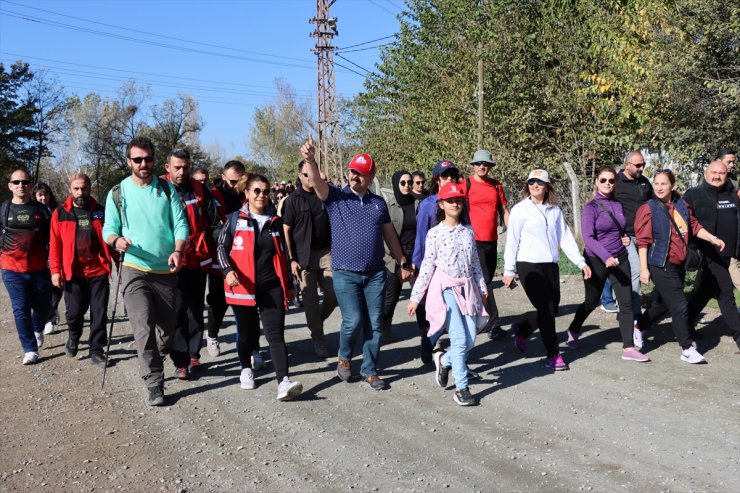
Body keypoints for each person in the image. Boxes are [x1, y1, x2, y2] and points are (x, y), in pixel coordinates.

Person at [300, 135, 411, 391]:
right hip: (345, 273)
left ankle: (370, 370)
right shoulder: (336, 197)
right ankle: (344, 356)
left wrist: (402, 261)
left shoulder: (378, 203)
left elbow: (390, 235)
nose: (354, 177)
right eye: (352, 172)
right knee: (353, 320)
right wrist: (310, 160)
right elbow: (316, 183)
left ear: (371, 176)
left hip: (375, 274)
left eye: (360, 174)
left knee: (374, 322)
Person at [102, 136, 189, 406]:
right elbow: (108, 229)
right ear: (129, 161)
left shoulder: (166, 189)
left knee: (166, 331)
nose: (143, 163)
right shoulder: (117, 192)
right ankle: (154, 383)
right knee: (143, 328)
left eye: (147, 159)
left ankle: (158, 356)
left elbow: (181, 225)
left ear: (154, 160)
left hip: (166, 271)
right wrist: (116, 241)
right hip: (133, 268)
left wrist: (177, 250)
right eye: (137, 159)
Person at [217, 173, 303, 401]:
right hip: (242, 286)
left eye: (266, 191)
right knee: (246, 333)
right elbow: (221, 248)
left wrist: (290, 283)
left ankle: (283, 381)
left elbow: (282, 255)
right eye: (256, 190)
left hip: (271, 286)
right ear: (246, 193)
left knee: (275, 334)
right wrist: (228, 271)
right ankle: (246, 367)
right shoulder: (235, 219)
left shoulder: (275, 221)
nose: (262, 195)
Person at [503, 169, 591, 371]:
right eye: (532, 182)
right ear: (527, 186)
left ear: (547, 186)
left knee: (551, 308)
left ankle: (523, 329)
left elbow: (566, 239)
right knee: (545, 308)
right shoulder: (520, 209)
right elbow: (512, 241)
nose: (535, 185)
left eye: (540, 182)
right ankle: (553, 354)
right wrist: (509, 269)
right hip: (528, 265)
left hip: (550, 265)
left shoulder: (555, 210)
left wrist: (580, 262)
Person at [408, 182, 488, 406]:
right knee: (459, 338)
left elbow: (475, 264)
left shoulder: (468, 232)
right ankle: (462, 388)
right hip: (445, 290)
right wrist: (416, 297)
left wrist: (482, 287)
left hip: (468, 288)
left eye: (459, 200)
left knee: (471, 338)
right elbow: (427, 266)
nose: (455, 204)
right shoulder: (435, 234)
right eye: (450, 200)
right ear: (441, 204)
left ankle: (444, 360)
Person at [633, 169, 725, 364]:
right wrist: (643, 269)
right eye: (656, 183)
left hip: (678, 264)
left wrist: (712, 238)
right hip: (659, 263)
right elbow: (642, 241)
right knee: (680, 304)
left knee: (664, 304)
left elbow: (695, 226)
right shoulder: (648, 208)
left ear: (672, 186)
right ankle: (686, 348)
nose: (659, 187)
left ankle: (639, 327)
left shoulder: (681, 205)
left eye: (663, 184)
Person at [565, 167, 649, 362]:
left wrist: (625, 238)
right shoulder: (590, 208)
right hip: (597, 260)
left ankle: (628, 347)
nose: (607, 184)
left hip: (620, 257)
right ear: (596, 182)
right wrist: (606, 257)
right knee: (592, 301)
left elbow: (619, 229)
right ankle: (574, 329)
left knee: (626, 302)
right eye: (603, 180)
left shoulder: (617, 205)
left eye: (611, 180)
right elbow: (589, 238)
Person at [163, 149, 219, 379]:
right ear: (168, 167)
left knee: (195, 309)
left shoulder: (199, 189)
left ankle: (194, 354)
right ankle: (180, 361)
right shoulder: (158, 189)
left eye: (185, 167)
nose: (181, 171)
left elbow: (214, 222)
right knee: (176, 311)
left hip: (196, 258)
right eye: (177, 167)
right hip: (170, 259)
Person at [49, 173, 113, 367]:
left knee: (99, 313)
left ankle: (97, 350)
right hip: (73, 273)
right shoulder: (60, 213)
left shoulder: (100, 211)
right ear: (70, 189)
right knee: (74, 313)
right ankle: (74, 336)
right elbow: (55, 245)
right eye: (76, 188)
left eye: (84, 188)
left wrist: (120, 262)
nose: (80, 192)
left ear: (90, 188)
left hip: (98, 271)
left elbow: (112, 236)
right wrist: (55, 270)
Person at [282, 159, 337, 359]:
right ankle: (318, 339)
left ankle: (316, 321)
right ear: (299, 176)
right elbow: (286, 229)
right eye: (306, 174)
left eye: (312, 174)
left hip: (327, 253)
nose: (310, 177)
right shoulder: (292, 200)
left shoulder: (326, 196)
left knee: (334, 294)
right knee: (310, 300)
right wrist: (291, 259)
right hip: (303, 257)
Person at [684, 161, 740, 351]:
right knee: (725, 291)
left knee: (705, 291)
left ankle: (685, 324)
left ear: (727, 175)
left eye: (721, 173)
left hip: (727, 254)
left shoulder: (732, 195)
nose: (717, 176)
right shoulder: (693, 195)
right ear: (706, 173)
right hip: (706, 254)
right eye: (713, 172)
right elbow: (683, 224)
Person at [1, 169, 52, 365]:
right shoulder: (3, 209)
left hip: (39, 269)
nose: (21, 185)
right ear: (10, 185)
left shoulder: (41, 210)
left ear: (31, 185)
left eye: (25, 182)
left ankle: (37, 327)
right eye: (17, 182)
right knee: (20, 309)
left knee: (43, 307)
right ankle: (30, 349)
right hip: (11, 269)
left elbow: (52, 238)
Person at [381, 170, 430, 362]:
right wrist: (399, 262)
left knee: (420, 297)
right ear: (396, 184)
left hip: (417, 257)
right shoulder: (389, 207)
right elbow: (385, 237)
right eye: (403, 182)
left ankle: (425, 334)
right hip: (395, 258)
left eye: (410, 182)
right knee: (390, 299)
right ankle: (384, 328)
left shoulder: (420, 204)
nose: (408, 185)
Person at [600, 151, 653, 314]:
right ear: (627, 165)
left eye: (643, 165)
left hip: (644, 235)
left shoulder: (644, 182)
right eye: (638, 165)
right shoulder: (616, 182)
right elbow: (606, 206)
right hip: (625, 236)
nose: (641, 168)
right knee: (635, 270)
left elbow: (652, 203)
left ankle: (648, 301)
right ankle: (633, 312)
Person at [466, 149, 509, 340]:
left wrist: (514, 234)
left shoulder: (496, 185)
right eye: (478, 164)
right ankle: (493, 323)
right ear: (473, 166)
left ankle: (478, 319)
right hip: (473, 240)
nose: (482, 166)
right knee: (485, 280)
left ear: (490, 166)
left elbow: (504, 210)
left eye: (485, 164)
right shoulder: (465, 184)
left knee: (486, 279)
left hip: (492, 239)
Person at [205, 161, 247, 358]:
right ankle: (212, 335)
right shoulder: (213, 196)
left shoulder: (249, 194)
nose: (236, 185)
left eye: (240, 181)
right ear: (223, 177)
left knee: (248, 302)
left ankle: (250, 346)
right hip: (220, 253)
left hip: (245, 254)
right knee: (218, 301)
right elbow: (212, 225)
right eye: (232, 181)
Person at [32, 182, 62, 335]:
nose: (44, 197)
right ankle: (48, 316)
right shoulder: (31, 211)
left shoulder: (58, 210)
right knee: (42, 288)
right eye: (40, 195)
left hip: (56, 252)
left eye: (46, 194)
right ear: (35, 196)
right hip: (39, 254)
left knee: (56, 286)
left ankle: (52, 314)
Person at [715, 148, 740, 292]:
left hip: (732, 231)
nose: (731, 165)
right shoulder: (709, 179)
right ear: (719, 161)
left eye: (733, 162)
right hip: (716, 233)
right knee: (731, 264)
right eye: (728, 161)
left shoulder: (733, 180)